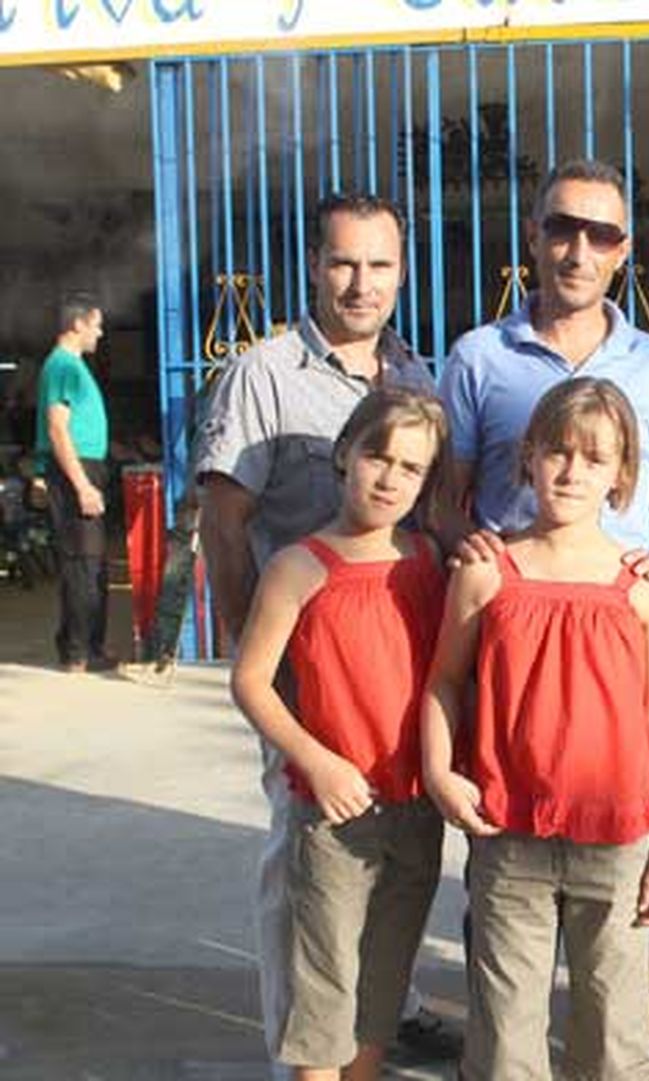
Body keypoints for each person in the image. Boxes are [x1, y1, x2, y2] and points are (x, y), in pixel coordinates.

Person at [193, 193, 459, 1067]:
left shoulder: (413, 377)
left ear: (401, 271)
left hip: (389, 678)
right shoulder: (264, 373)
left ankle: (379, 1014)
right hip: (304, 675)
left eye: (380, 265)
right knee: (301, 880)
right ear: (315, 264)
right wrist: (259, 667)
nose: (361, 282)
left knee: (383, 877)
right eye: (344, 262)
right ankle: (298, 1046)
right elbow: (226, 524)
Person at [420, 377, 649, 1080]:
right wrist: (440, 769)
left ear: (622, 474)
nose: (572, 471)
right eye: (558, 452)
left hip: (618, 834)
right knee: (506, 1031)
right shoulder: (486, 572)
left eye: (594, 458)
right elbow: (445, 679)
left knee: (615, 1026)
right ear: (529, 456)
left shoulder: (646, 590)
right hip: (510, 831)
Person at [229, 388, 450, 1081]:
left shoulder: (428, 560)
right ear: (343, 455)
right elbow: (251, 681)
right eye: (376, 457)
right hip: (331, 815)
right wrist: (316, 761)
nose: (389, 477)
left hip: (414, 809)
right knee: (323, 992)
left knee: (381, 985)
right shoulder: (298, 566)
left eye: (410, 468)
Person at [440, 158, 649, 586]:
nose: (579, 254)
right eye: (563, 229)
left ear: (622, 253)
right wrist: (475, 549)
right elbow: (441, 502)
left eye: (602, 236)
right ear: (534, 236)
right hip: (509, 606)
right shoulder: (477, 357)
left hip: (618, 612)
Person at [35, 293, 111, 672]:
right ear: (78, 324)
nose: (99, 332)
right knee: (83, 564)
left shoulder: (70, 366)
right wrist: (82, 485)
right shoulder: (63, 366)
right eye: (96, 324)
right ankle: (79, 652)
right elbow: (57, 429)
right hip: (75, 471)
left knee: (90, 564)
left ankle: (87, 648)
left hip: (84, 467)